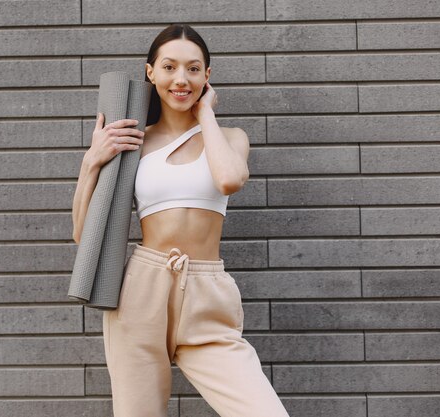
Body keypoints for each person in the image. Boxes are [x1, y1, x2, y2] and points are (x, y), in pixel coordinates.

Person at [72, 23, 290, 417]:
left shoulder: (231, 137)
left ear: (207, 77)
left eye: (193, 69)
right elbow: (83, 236)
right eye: (169, 67)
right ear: (150, 72)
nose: (181, 79)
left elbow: (227, 178)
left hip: (206, 292)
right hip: (141, 292)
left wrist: (206, 113)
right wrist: (92, 162)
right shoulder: (132, 144)